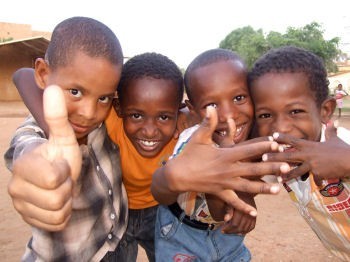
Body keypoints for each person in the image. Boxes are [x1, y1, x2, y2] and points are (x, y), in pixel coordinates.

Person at [4, 16, 128, 261]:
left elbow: (23, 75)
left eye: (103, 98)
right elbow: (27, 151)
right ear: (43, 73)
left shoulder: (106, 121)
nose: (89, 113)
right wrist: (36, 167)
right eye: (75, 92)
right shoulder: (34, 133)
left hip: (117, 242)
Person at [153, 48, 261, 261]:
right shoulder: (191, 143)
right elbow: (164, 193)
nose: (229, 115)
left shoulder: (257, 133)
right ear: (193, 110)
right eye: (212, 105)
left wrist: (245, 197)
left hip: (228, 238)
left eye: (239, 97)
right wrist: (241, 199)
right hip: (181, 233)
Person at [248, 46, 350, 261]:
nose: (281, 128)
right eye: (265, 115)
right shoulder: (279, 154)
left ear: (325, 110)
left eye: (295, 111)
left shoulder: (341, 144)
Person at [104, 52, 184, 261]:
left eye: (164, 117)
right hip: (116, 214)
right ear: (118, 108)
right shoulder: (111, 120)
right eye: (136, 115)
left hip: (161, 212)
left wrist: (191, 117)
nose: (149, 131)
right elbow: (25, 76)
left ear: (179, 112)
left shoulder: (183, 136)